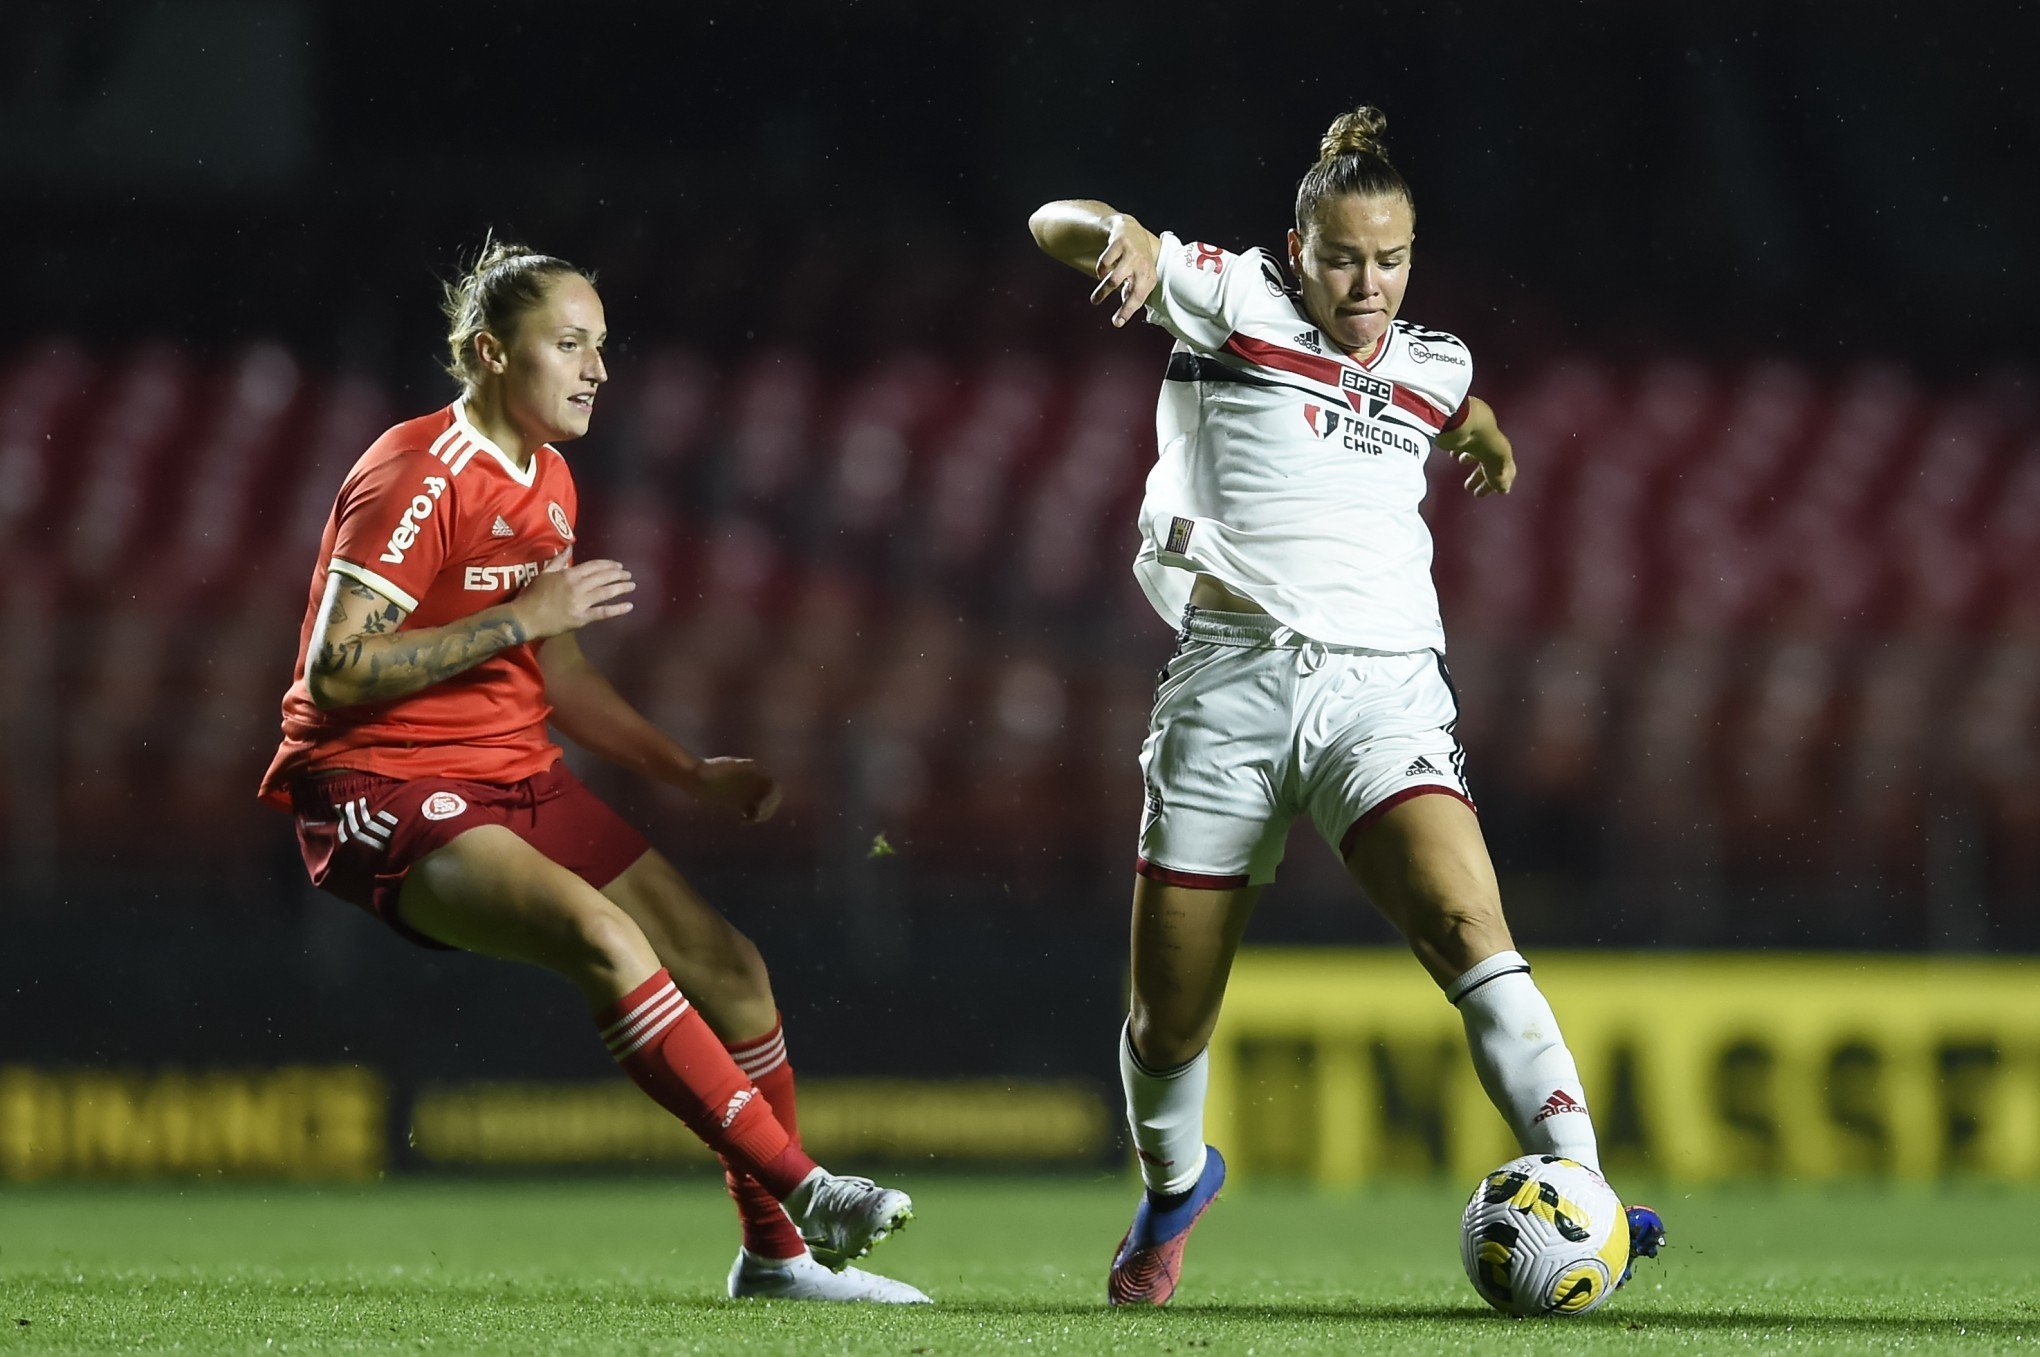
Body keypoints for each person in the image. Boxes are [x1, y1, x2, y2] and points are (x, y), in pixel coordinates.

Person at [1029, 107, 1665, 1307]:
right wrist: (1110, 236)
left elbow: (1457, 406)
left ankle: (1584, 1189)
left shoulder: (1435, 360)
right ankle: (1175, 1186)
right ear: (1298, 246)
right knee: (1168, 1023)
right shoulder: (1232, 299)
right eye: (1342, 258)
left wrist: (1489, 440)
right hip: (1227, 683)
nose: (1366, 283)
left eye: (1391, 258)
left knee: (1470, 930)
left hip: (1384, 690)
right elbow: (1051, 222)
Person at [256, 238, 927, 1304]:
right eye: (568, 344)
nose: (597, 369)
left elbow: (553, 668)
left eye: (601, 346)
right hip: (381, 787)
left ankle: (774, 1261)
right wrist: (520, 613)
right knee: (604, 940)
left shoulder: (552, 476)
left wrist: (684, 769)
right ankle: (810, 1192)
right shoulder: (414, 475)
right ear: (487, 351)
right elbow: (335, 671)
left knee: (731, 965)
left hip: (517, 774)